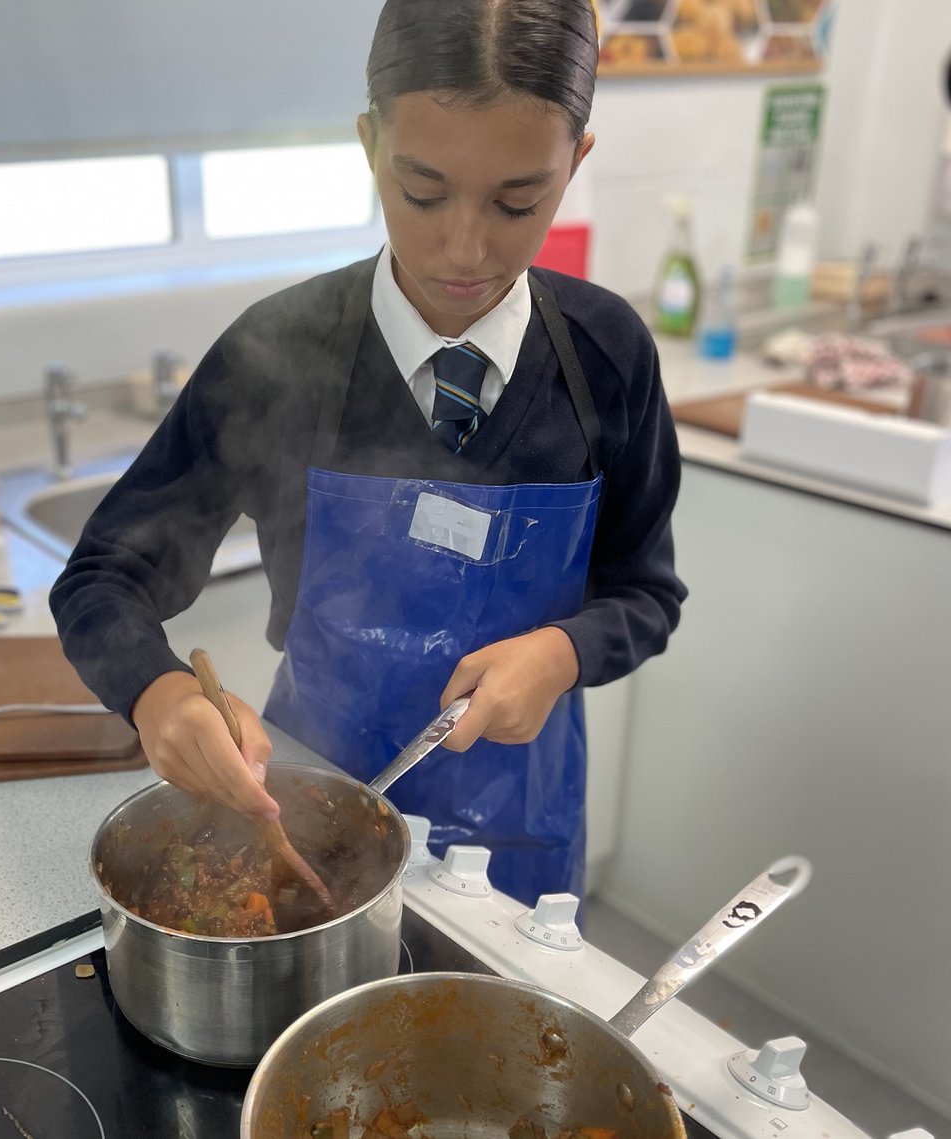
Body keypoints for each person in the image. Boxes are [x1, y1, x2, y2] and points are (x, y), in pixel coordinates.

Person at [51, 0, 687, 905]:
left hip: (521, 833)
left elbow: (646, 593)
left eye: (518, 201)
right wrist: (159, 695)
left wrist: (563, 650)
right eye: (421, 191)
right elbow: (103, 577)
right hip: (307, 810)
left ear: (574, 162)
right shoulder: (282, 352)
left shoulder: (605, 356)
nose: (462, 247)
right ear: (368, 143)